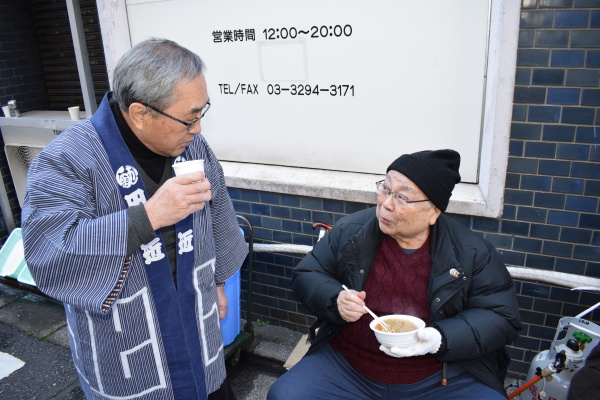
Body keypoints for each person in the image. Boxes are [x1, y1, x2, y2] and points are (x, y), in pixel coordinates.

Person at [21, 38, 248, 400]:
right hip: (126, 341)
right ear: (141, 113)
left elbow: (218, 212)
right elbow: (51, 249)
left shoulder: (193, 146)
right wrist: (151, 215)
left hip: (196, 324)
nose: (198, 130)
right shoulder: (66, 158)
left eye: (201, 114)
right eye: (190, 118)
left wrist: (219, 279)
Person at [267, 149, 522, 400]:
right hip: (347, 366)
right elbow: (308, 273)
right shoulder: (352, 232)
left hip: (438, 375)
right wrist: (335, 300)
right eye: (385, 189)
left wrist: (440, 338)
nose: (385, 204)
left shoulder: (472, 252)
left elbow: (501, 316)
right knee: (285, 394)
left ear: (434, 212)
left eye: (402, 197)